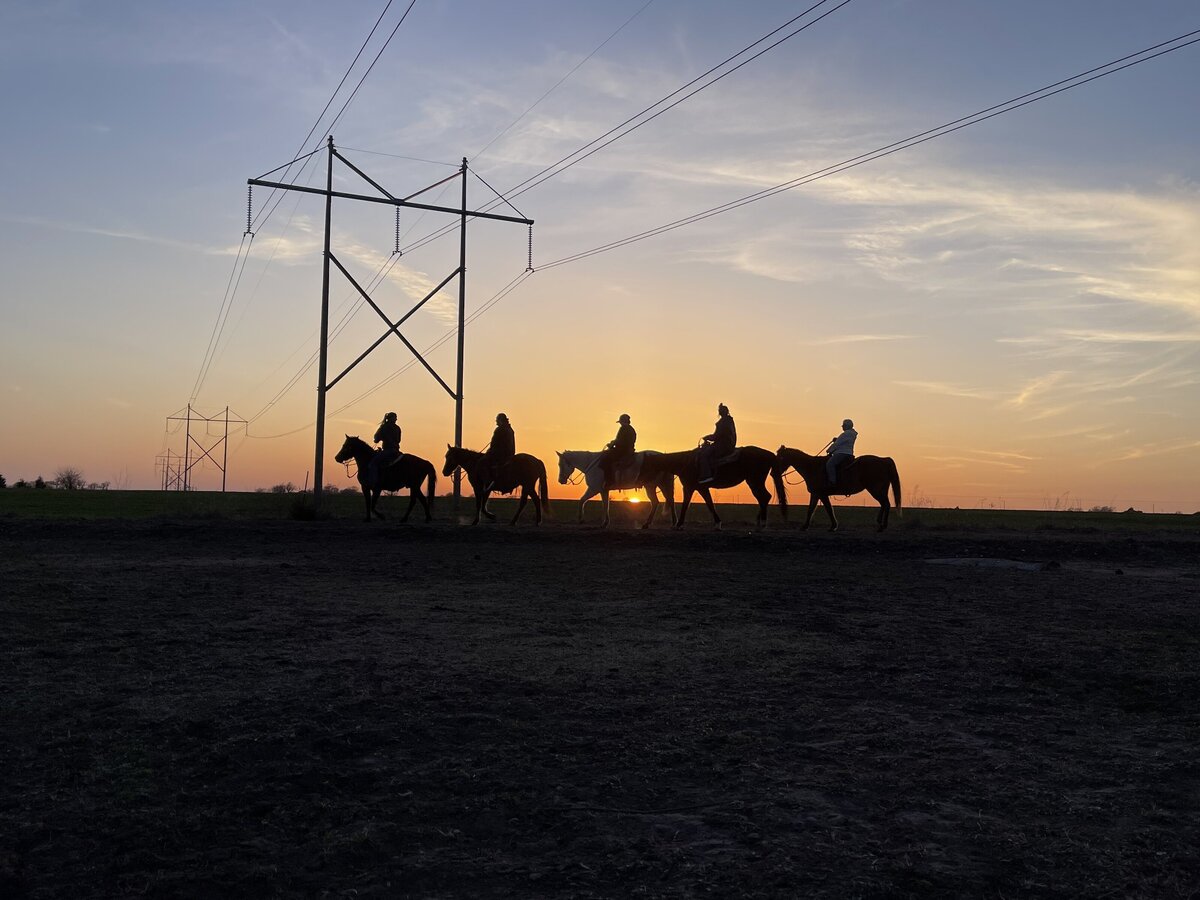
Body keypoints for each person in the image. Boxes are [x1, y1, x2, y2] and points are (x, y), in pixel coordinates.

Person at [698, 403, 736, 484]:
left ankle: (707, 475)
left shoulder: (723, 422)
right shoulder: (729, 420)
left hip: (722, 445)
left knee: (704, 455)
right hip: (727, 444)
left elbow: (717, 435)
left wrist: (707, 437)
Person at [600, 413, 637, 487]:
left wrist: (611, 444)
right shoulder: (631, 429)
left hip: (622, 450)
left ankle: (609, 481)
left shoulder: (623, 428)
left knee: (606, 460)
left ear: (623, 421)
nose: (620, 424)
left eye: (621, 422)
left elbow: (619, 440)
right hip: (628, 449)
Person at [367, 411, 402, 489]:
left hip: (388, 450)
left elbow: (376, 439)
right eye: (395, 417)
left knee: (372, 463)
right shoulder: (397, 428)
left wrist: (380, 438)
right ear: (392, 419)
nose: (396, 419)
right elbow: (399, 440)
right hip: (397, 450)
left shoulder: (384, 427)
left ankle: (373, 482)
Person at [485, 412, 516, 491]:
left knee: (483, 463)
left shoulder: (499, 429)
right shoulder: (510, 429)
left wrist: (488, 452)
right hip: (510, 453)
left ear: (500, 420)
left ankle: (489, 482)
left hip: (501, 454)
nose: (496, 422)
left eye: (497, 420)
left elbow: (494, 444)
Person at [826, 418, 857, 487]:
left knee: (829, 464)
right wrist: (838, 439)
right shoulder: (852, 434)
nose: (842, 427)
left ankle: (832, 482)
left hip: (841, 453)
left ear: (847, 426)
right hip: (849, 453)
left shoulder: (845, 434)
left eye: (843, 425)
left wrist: (829, 450)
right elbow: (844, 442)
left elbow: (837, 444)